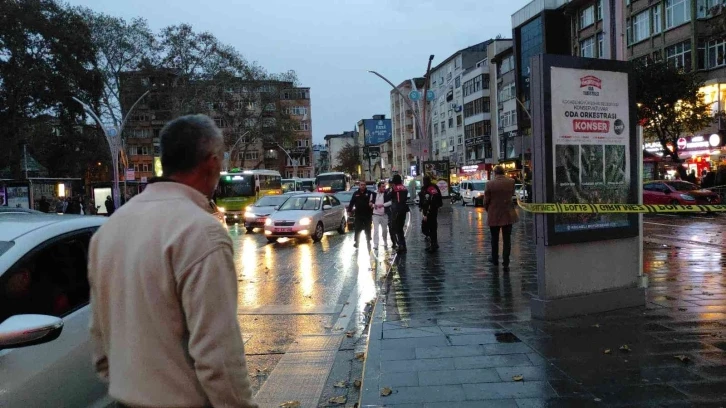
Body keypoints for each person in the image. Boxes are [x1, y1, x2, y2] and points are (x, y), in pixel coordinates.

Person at [87, 114, 258, 408]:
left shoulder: (109, 229)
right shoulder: (200, 232)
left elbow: (100, 341)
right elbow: (218, 356)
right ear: (212, 162)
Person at [484, 165, 517, 272]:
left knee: (494, 239)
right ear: (503, 172)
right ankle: (506, 261)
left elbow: (486, 201)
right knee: (507, 239)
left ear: (495, 173)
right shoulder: (511, 182)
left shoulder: (489, 184)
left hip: (494, 214)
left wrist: (488, 209)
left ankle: (494, 259)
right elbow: (512, 194)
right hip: (508, 213)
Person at [348, 181, 374, 249]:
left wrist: (372, 204)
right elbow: (351, 202)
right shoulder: (356, 193)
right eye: (361, 185)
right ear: (359, 186)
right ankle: (357, 242)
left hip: (367, 214)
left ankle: (368, 240)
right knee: (357, 228)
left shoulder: (369, 193)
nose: (363, 186)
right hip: (358, 214)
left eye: (364, 185)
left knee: (368, 228)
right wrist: (349, 210)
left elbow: (374, 199)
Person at [420, 176, 443, 253]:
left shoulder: (431, 188)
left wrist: (426, 211)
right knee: (428, 227)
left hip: (431, 210)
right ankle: (433, 243)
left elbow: (431, 200)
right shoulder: (426, 188)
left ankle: (433, 244)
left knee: (431, 227)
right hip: (428, 210)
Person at [388, 174, 409, 253]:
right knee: (400, 227)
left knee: (396, 228)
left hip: (397, 210)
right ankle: (403, 245)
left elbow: (389, 196)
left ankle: (401, 245)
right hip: (404, 209)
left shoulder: (395, 188)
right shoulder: (404, 188)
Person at [371, 181, 391, 250]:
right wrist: (374, 205)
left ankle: (385, 241)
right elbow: (371, 202)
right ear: (379, 187)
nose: (384, 188)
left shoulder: (386, 194)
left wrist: (383, 205)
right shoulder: (374, 193)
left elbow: (390, 202)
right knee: (376, 229)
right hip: (375, 215)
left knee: (384, 230)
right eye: (383, 187)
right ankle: (376, 244)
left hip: (384, 215)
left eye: (384, 186)